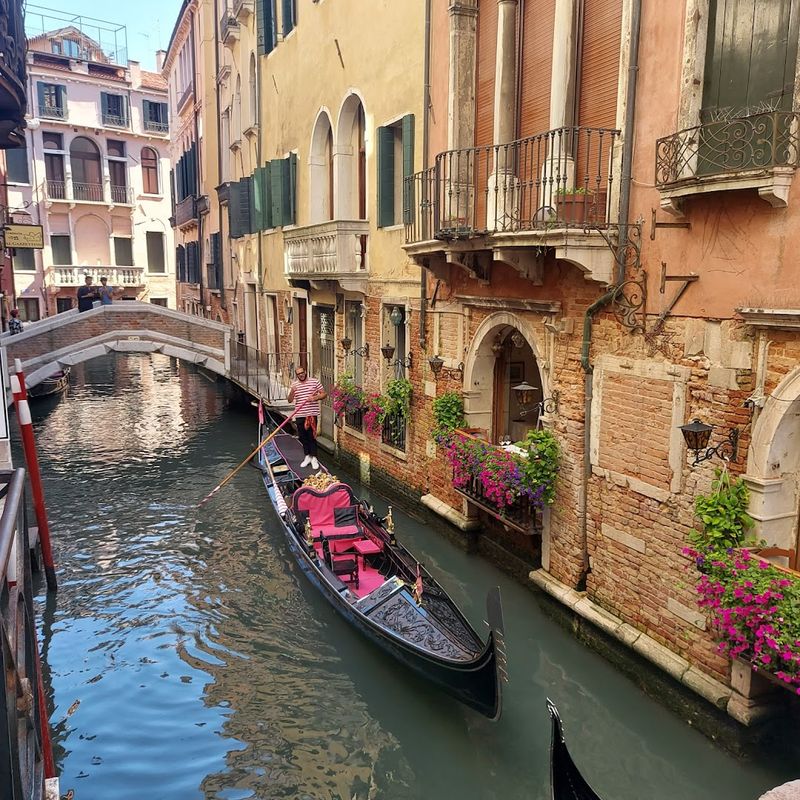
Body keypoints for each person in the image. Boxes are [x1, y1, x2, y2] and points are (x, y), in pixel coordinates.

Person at [287, 366, 327, 470]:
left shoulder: (314, 382)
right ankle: (307, 456)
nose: (301, 375)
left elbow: (324, 394)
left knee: (311, 436)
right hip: (300, 414)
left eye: (302, 372)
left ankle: (314, 457)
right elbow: (289, 400)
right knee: (302, 436)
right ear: (297, 375)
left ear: (305, 372)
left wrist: (314, 398)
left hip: (311, 414)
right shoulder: (294, 385)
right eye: (298, 374)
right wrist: (292, 391)